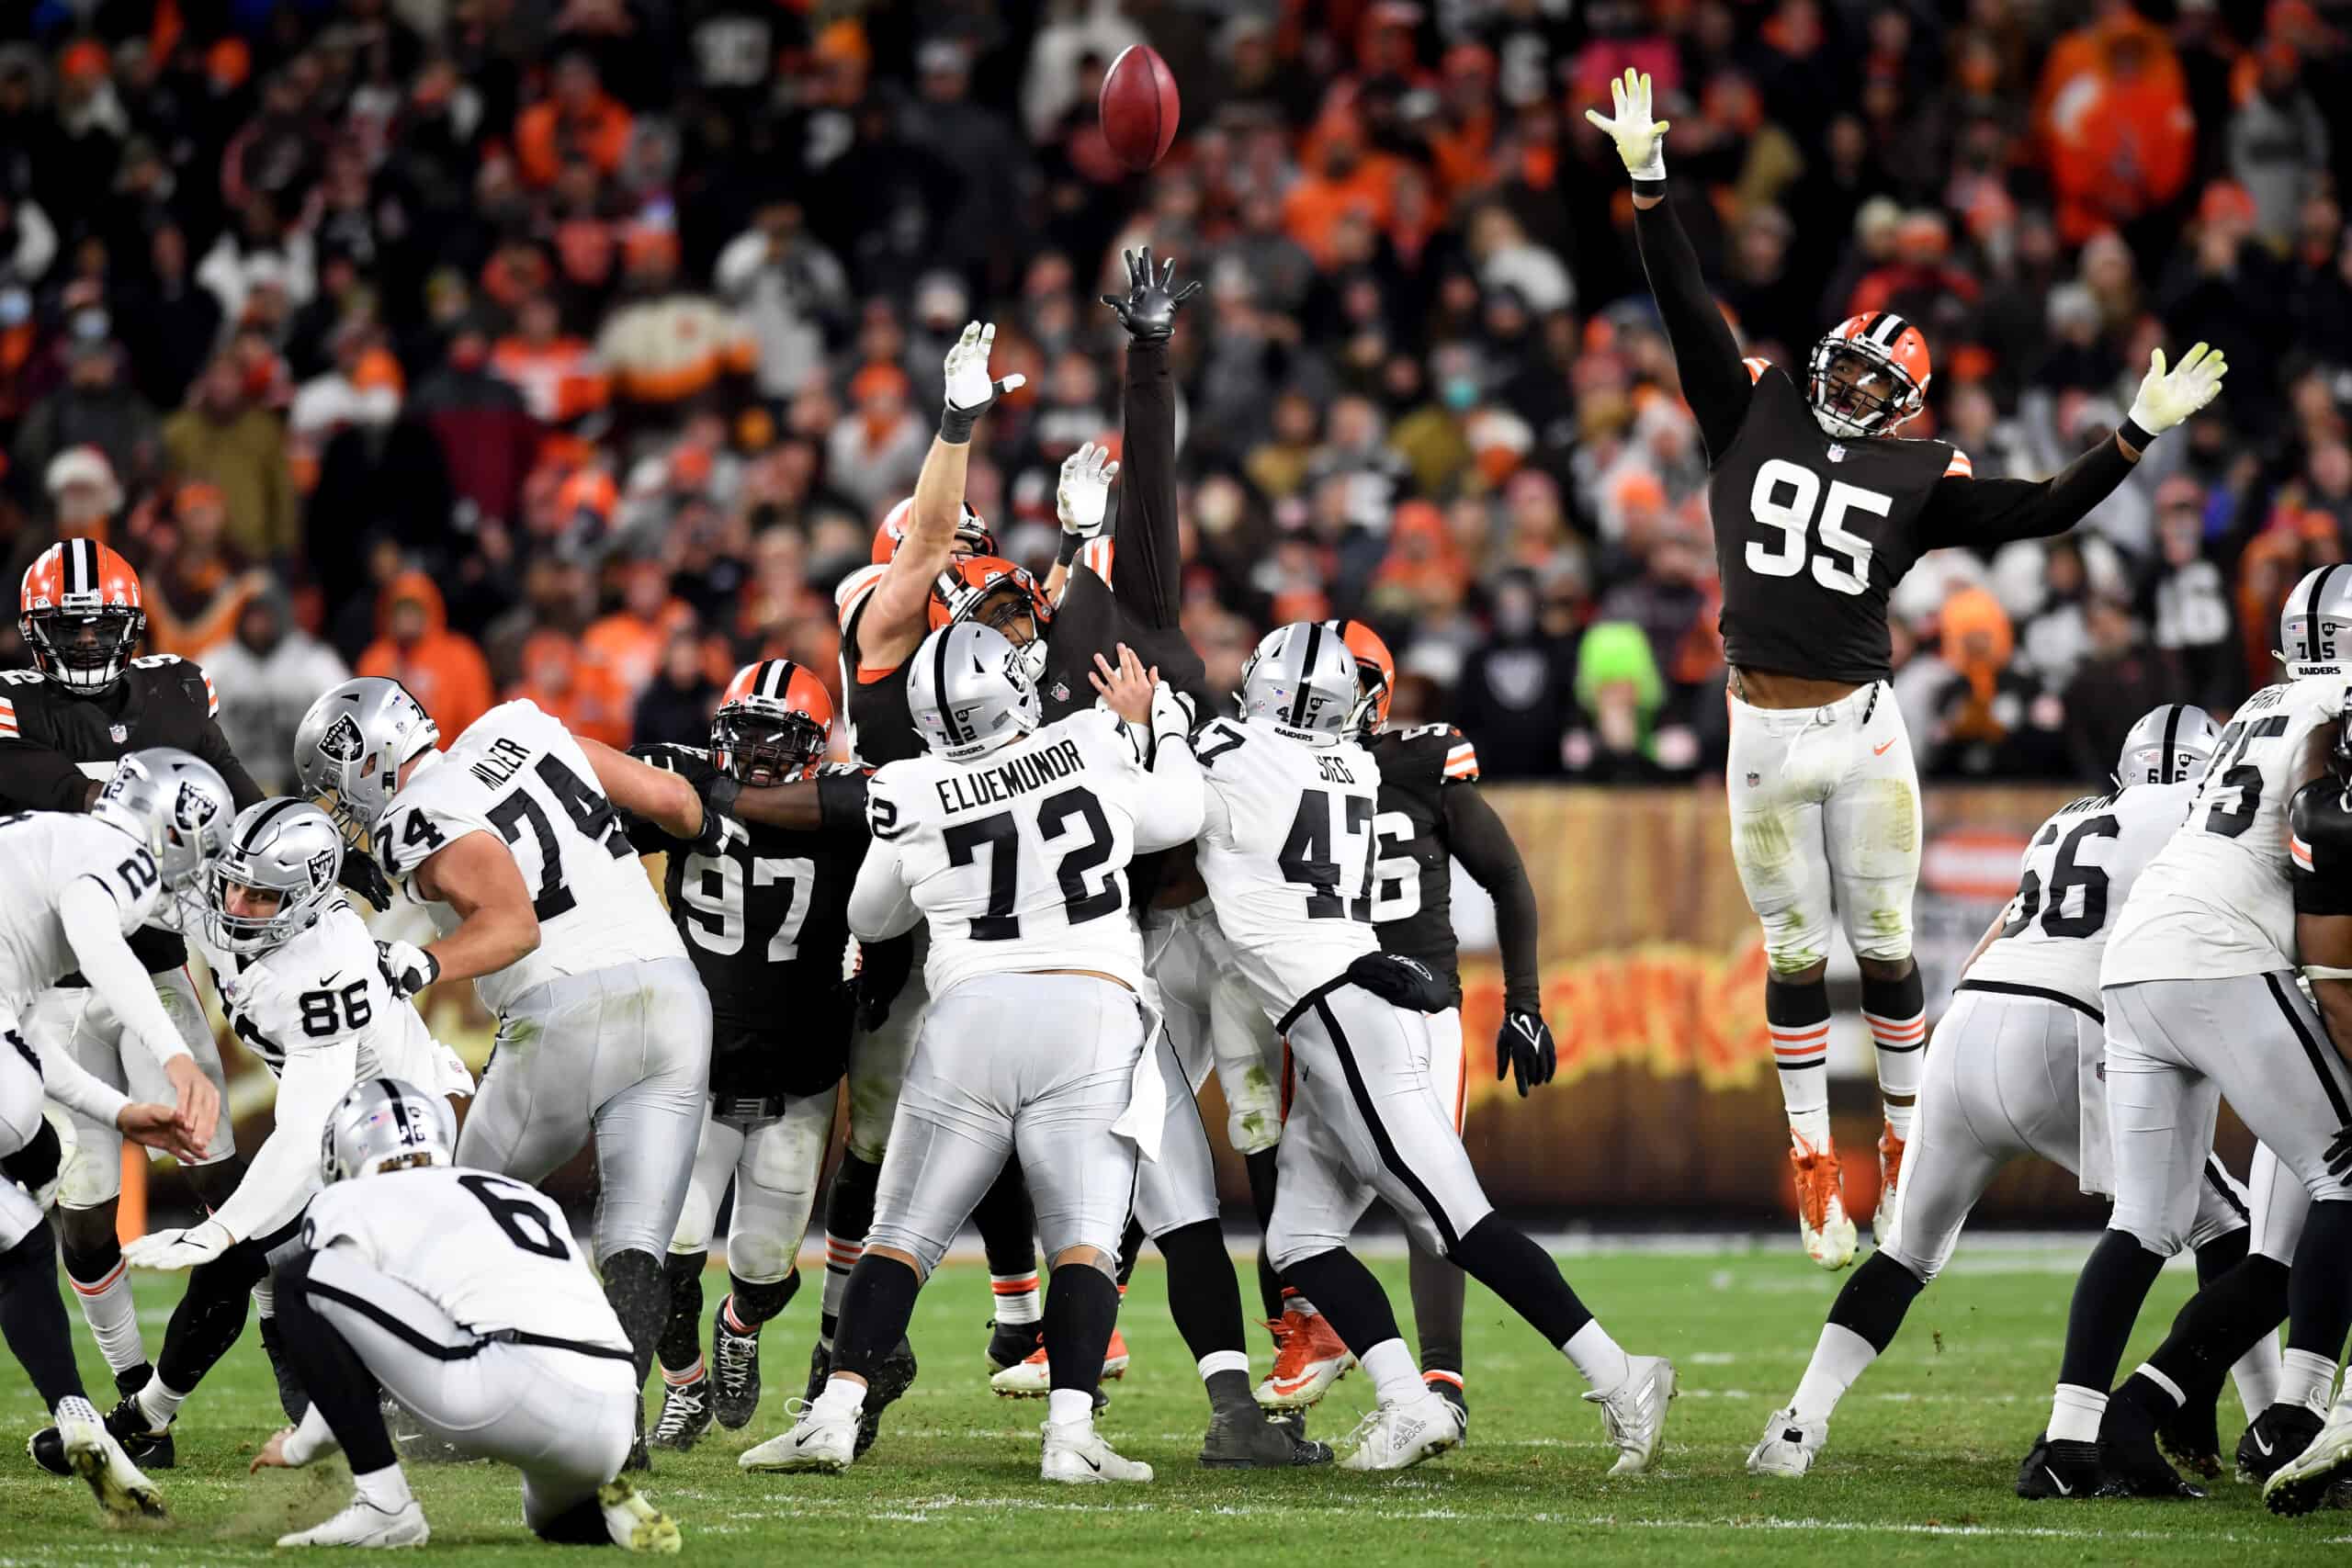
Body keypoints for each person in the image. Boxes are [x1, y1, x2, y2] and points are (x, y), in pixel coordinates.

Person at [1588, 68, 2230, 1269]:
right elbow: (1687, 313)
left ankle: (1905, 1141)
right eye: (1851, 364)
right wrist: (1649, 189)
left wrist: (2133, 430)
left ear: (1910, 404)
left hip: (1864, 725)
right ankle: (1809, 1156)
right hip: (1766, 729)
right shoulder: (1754, 407)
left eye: (1882, 381)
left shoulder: (1920, 476)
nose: (1853, 384)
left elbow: (2042, 508)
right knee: (1793, 953)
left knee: (1884, 941)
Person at [1191, 623, 1674, 1472]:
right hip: (1351, 1004)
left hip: (1355, 1013)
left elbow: (1182, 785)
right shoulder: (1342, 764)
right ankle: (1410, 1399)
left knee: (1456, 1220)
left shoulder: (1257, 754)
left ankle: (1621, 1373)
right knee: (1298, 1238)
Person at [1743, 705, 2271, 1484]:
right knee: (2223, 1223)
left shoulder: (2071, 819)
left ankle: (1797, 1425)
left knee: (1907, 1255)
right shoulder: (2202, 813)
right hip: (2072, 1031)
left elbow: (1997, 935)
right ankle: (2258, 1426)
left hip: (1970, 1021)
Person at [740, 624, 1202, 1482]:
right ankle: (1070, 1436)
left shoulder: (910, 787)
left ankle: (834, 1414)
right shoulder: (1092, 742)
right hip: (1090, 1007)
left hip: (970, 1014)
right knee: (1084, 1239)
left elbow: (872, 919)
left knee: (901, 1232)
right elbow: (1184, 811)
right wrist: (1159, 724)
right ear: (1016, 693)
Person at [293, 675, 710, 1468]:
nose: (340, 803)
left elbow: (513, 926)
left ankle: (423, 1405)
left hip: (567, 1007)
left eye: (335, 782)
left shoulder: (416, 814)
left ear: (367, 759)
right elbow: (679, 806)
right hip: (675, 990)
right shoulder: (530, 726)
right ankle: (615, 1425)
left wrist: (415, 963)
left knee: (448, 1207)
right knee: (635, 1241)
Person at [2022, 570, 2352, 1507]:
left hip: (2137, 960)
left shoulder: (2260, 700)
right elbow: (2321, 844)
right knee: (2345, 1175)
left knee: (2146, 1222)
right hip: (2223, 952)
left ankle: (2085, 1435)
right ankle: (2302, 1411)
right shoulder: (2339, 707)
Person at [33, 799, 473, 1471]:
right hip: (341, 1125)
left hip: (395, 1133)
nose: (238, 901)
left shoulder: (330, 965)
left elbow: (301, 1140)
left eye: (262, 894)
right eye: (235, 880)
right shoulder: (225, 892)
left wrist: (219, 1227)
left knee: (243, 1259)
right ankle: (164, 1415)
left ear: (307, 896)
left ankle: (149, 1418)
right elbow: (125, 896)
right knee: (254, 1263)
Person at [1230, 618, 1557, 1428]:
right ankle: (1313, 1345)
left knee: (1431, 1198)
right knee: (1288, 1199)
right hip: (1320, 1003)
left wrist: (1524, 1001)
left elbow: (1508, 877)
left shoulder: (1414, 760)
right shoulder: (1271, 763)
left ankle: (1441, 1381)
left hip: (1413, 1006)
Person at [593, 660, 916, 1458]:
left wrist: (729, 802)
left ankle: (738, 1326)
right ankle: (685, 1383)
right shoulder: (685, 780)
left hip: (797, 1073)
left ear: (813, 744)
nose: (763, 752)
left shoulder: (846, 798)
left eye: (782, 737)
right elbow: (598, 798)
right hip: (692, 1072)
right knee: (662, 1255)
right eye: (748, 734)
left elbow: (870, 800)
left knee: (765, 1274)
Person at [1, 540, 267, 1424]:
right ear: (36, 635)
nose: (83, 648)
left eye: (98, 628)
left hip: (157, 971)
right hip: (59, 993)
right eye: (66, 632)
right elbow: (43, 788)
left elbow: (240, 797)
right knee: (85, 1213)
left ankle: (301, 1387)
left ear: (128, 627)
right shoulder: (10, 702)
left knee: (228, 1186)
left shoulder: (178, 688)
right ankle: (126, 1389)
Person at [251, 1079, 680, 1551]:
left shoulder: (350, 1199)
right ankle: (599, 1507)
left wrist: (300, 1446)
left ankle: (384, 1506)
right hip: (613, 1408)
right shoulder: (521, 1194)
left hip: (509, 1383)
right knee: (551, 1524)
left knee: (299, 1280)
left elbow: (339, 1328)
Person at [0, 748, 227, 1520]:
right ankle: (75, 1408)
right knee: (24, 1180)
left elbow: (28, 1042)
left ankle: (73, 1410)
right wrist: (172, 1054)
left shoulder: (54, 850)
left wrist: (123, 1111)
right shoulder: (115, 857)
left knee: (22, 1228)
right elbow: (100, 943)